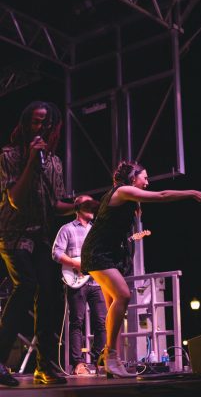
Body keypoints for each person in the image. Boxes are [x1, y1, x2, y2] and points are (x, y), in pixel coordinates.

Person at [81, 160, 201, 378]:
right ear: (133, 178)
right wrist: (191, 192)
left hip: (108, 255)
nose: (147, 181)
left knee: (113, 305)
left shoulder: (127, 197)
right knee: (123, 295)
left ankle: (109, 360)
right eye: (145, 176)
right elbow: (162, 196)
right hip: (97, 254)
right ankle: (111, 355)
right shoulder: (123, 191)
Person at [0, 101, 98, 386]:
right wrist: (31, 160)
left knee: (50, 294)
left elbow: (55, 204)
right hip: (13, 233)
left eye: (46, 123)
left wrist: (77, 206)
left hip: (40, 236)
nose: (40, 127)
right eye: (35, 121)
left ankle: (45, 366)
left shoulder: (54, 162)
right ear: (25, 123)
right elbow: (15, 200)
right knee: (26, 285)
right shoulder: (8, 156)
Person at [52, 194, 106, 376]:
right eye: (88, 205)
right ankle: (78, 364)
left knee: (102, 322)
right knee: (77, 322)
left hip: (96, 281)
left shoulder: (97, 230)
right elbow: (56, 253)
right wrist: (77, 264)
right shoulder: (67, 229)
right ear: (78, 208)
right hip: (76, 281)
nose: (92, 208)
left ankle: (97, 358)